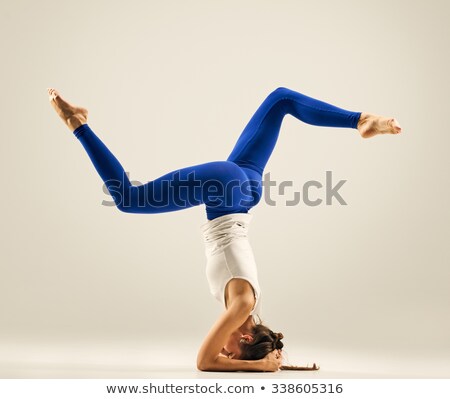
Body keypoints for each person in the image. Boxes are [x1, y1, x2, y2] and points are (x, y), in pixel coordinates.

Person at [47, 86, 402, 372]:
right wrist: (257, 367)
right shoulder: (241, 307)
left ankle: (361, 121)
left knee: (281, 100)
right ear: (246, 340)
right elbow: (205, 361)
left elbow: (225, 353)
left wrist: (272, 359)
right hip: (226, 190)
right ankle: (78, 123)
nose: (225, 352)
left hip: (245, 187)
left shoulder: (248, 301)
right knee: (127, 198)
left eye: (228, 356)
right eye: (233, 353)